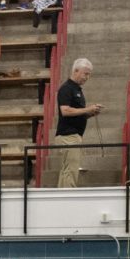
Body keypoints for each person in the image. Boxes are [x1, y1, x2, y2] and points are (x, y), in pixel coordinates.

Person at [54, 58, 103, 188]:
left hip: (73, 135)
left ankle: (62, 198)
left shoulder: (77, 89)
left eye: (89, 74)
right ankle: (69, 198)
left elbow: (76, 114)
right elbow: (65, 111)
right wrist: (88, 109)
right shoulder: (66, 88)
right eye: (85, 73)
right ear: (75, 71)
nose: (87, 77)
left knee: (66, 171)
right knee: (71, 170)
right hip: (68, 136)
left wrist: (90, 113)